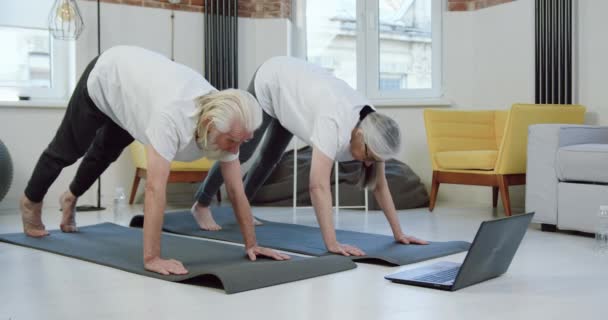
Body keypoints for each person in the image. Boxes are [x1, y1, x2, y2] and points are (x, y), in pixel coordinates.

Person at [19, 46, 289, 275]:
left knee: (104, 155)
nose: (236, 147)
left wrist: (251, 244)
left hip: (135, 96)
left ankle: (71, 196)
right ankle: (30, 201)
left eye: (242, 141)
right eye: (233, 141)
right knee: (68, 149)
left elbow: (236, 190)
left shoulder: (230, 125)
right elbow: (155, 189)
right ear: (208, 124)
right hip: (107, 75)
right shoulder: (171, 118)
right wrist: (152, 258)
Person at [192, 56, 428, 256]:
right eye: (368, 156)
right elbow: (318, 186)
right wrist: (332, 244)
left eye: (374, 160)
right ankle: (201, 204)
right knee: (241, 153)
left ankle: (243, 209)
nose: (367, 163)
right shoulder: (333, 121)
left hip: (296, 99)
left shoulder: (375, 128)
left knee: (270, 158)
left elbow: (380, 185)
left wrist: (399, 233)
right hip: (274, 80)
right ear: (357, 134)